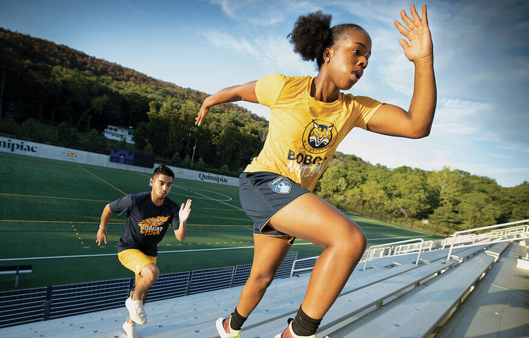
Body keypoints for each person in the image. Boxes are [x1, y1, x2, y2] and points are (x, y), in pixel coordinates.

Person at [196, 4, 435, 338]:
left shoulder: (354, 108)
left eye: (367, 58)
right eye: (356, 53)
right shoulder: (282, 87)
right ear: (327, 53)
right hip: (262, 182)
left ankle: (228, 326)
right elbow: (238, 91)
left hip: (292, 198)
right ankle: (297, 334)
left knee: (261, 278)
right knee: (349, 239)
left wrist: (423, 60)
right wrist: (210, 100)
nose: (363, 62)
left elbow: (416, 125)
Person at [95, 164, 192, 338]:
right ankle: (132, 300)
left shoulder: (172, 208)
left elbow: (180, 237)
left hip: (149, 252)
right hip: (128, 249)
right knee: (152, 273)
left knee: (144, 293)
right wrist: (102, 228)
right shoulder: (135, 200)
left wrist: (182, 221)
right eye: (161, 183)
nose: (165, 188)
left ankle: (129, 325)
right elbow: (108, 208)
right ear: (151, 182)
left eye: (169, 185)